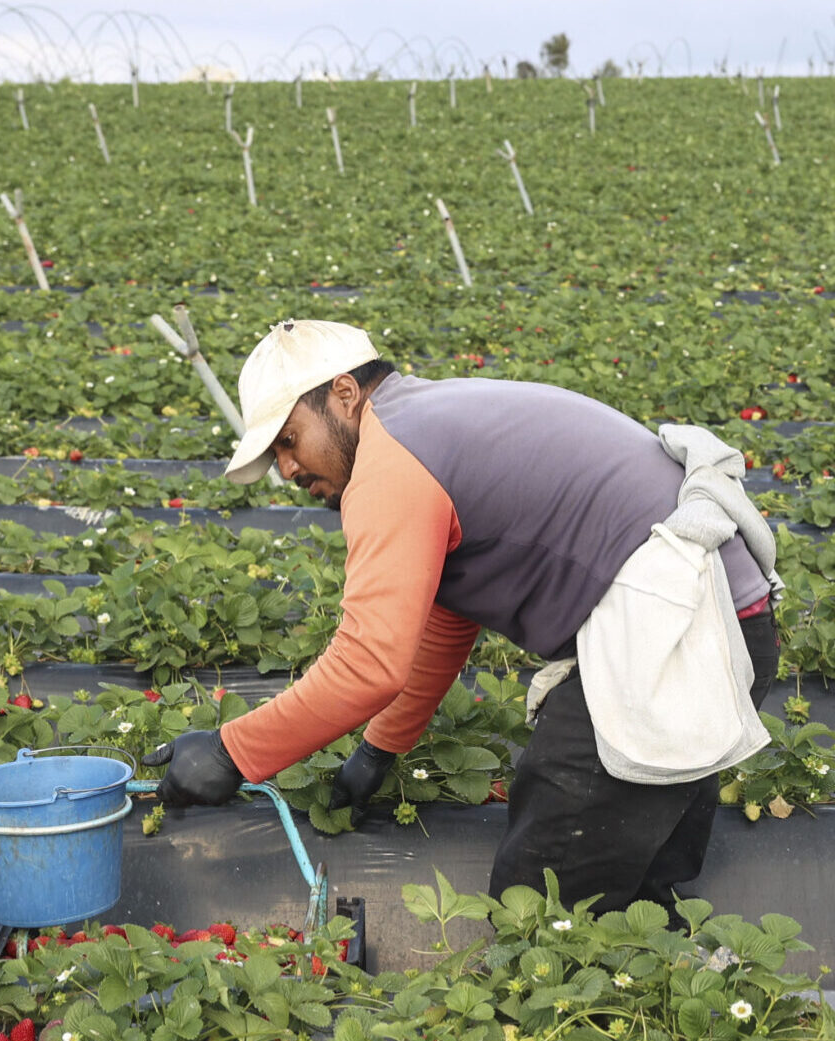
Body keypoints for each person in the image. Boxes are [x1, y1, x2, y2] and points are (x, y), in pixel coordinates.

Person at [141, 319, 781, 913]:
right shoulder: (425, 422)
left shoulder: (392, 462)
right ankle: (648, 997)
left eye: (288, 440)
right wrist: (380, 748)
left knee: (543, 902)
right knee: (635, 893)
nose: (285, 469)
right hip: (715, 620)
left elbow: (368, 663)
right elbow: (449, 619)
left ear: (342, 394)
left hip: (677, 633)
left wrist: (231, 752)